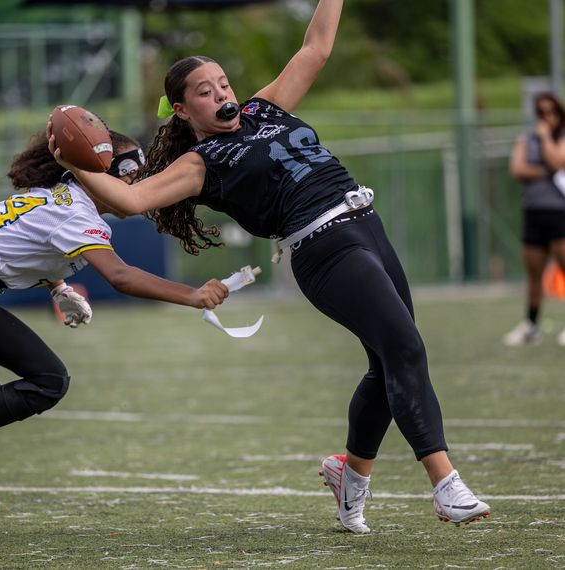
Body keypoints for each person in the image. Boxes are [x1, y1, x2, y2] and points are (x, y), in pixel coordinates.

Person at [49, 0, 490, 534]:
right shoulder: (201, 163)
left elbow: (316, 48)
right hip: (324, 249)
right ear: (183, 111)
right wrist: (74, 162)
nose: (222, 94)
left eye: (224, 83)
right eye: (205, 91)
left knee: (387, 362)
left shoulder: (264, 108)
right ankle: (445, 485)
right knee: (406, 348)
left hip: (366, 226)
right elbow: (130, 201)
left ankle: (349, 476)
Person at [0, 130, 227, 534]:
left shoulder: (62, 193)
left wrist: (58, 286)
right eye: (130, 174)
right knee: (49, 380)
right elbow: (120, 277)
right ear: (98, 174)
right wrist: (192, 294)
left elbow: (21, 241)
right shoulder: (77, 212)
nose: (138, 185)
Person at [502, 92, 565, 347]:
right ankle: (531, 324)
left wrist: (545, 137)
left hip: (560, 212)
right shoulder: (525, 139)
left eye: (551, 111)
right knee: (534, 273)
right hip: (533, 212)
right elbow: (517, 169)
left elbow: (558, 160)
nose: (546, 117)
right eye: (541, 112)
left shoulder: (557, 138)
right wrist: (547, 171)